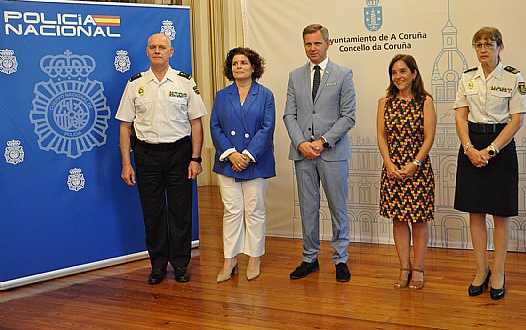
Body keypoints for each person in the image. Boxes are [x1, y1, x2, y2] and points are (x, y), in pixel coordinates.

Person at [116, 33, 207, 285]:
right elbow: (125, 126)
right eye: (153, 47)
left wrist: (195, 158)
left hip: (179, 154)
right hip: (147, 155)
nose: (158, 51)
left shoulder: (184, 82)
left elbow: (196, 123)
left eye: (162, 47)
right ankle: (157, 264)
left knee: (180, 212)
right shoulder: (135, 84)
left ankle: (180, 264)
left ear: (171, 52)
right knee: (152, 212)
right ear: (147, 52)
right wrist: (126, 163)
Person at [454, 27, 526, 300]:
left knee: (500, 214)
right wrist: (469, 149)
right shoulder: (467, 78)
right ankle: (481, 270)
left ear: (500, 46)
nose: (483, 49)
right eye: (478, 45)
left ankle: (498, 271)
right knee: (475, 213)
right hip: (471, 146)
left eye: (489, 44)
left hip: (501, 146)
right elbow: (461, 117)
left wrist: (491, 150)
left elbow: (517, 120)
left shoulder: (513, 77)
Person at [283, 23, 356, 283]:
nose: (312, 48)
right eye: (308, 44)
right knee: (308, 208)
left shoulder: (343, 73)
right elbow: (289, 114)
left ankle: (340, 259)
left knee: (338, 207)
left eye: (317, 43)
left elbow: (348, 116)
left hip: (332, 153)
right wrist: (301, 143)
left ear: (328, 43)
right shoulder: (295, 76)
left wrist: (322, 142)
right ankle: (310, 258)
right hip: (303, 153)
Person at [210, 47, 275, 282]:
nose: (239, 66)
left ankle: (255, 257)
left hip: (256, 162)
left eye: (244, 62)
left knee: (254, 210)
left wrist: (246, 155)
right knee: (232, 211)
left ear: (253, 67)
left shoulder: (265, 95)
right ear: (230, 68)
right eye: (235, 63)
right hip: (228, 163)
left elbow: (267, 128)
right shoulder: (221, 95)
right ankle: (230, 259)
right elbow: (215, 127)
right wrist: (231, 155)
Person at [376, 54, 436, 290]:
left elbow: (429, 137)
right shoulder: (385, 101)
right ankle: (404, 268)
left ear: (414, 74)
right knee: (399, 220)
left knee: (419, 221)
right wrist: (389, 164)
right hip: (392, 169)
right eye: (394, 72)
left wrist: (415, 164)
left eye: (402, 71)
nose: (398, 76)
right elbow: (381, 136)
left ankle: (418, 269)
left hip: (417, 169)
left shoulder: (425, 101)